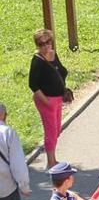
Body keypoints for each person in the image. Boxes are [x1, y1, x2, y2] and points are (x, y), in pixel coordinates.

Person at [29, 28, 71, 166]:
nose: (45, 46)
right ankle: (51, 163)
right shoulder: (37, 60)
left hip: (57, 98)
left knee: (56, 130)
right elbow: (33, 85)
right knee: (51, 131)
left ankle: (52, 159)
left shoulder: (53, 54)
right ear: (37, 45)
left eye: (48, 42)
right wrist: (47, 101)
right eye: (41, 44)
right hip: (46, 100)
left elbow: (60, 71)